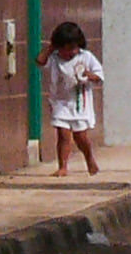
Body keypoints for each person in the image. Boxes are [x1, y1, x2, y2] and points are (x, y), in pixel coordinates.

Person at [39, 20, 105, 175]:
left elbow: (99, 76)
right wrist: (50, 49)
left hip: (79, 102)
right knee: (63, 134)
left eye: (74, 49)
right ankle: (63, 166)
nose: (71, 53)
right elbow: (40, 61)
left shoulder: (86, 57)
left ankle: (89, 158)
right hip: (60, 102)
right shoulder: (54, 58)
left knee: (80, 136)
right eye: (66, 49)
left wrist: (90, 76)